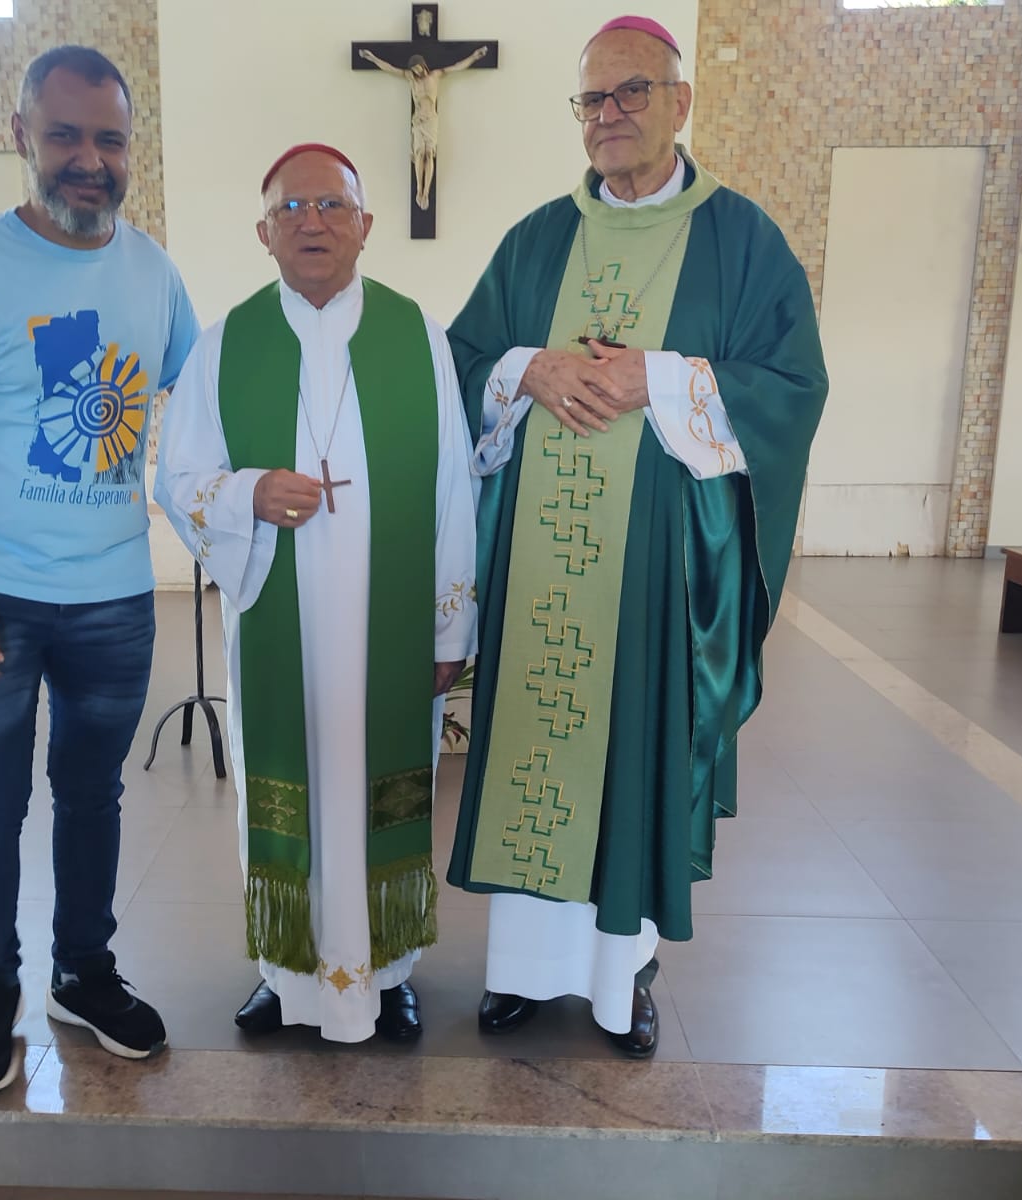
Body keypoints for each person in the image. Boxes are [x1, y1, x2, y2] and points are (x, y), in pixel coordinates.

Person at [444, 16, 828, 1058]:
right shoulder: (535, 240)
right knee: (535, 750)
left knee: (633, 750)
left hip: (656, 567)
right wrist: (527, 368)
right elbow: (462, 360)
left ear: (679, 102)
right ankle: (524, 971)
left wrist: (657, 378)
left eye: (631, 93)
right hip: (541, 569)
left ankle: (624, 979)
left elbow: (792, 388)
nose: (608, 114)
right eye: (592, 99)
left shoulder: (741, 241)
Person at [0, 45, 199, 1095]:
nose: (89, 160)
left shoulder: (155, 273)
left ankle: (83, 970)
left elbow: (203, 408)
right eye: (65, 135)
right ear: (21, 135)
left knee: (92, 794)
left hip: (114, 596)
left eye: (110, 139)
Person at [155, 144, 477, 1044]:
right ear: (263, 234)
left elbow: (455, 485)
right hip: (279, 617)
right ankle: (287, 973)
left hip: (391, 625)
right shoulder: (226, 345)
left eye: (332, 206)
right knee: (287, 792)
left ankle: (391, 970)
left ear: (365, 225)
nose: (312, 223)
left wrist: (450, 625)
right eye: (290, 209)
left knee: (386, 791)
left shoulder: (417, 336)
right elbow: (177, 478)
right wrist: (248, 494)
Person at [357, 46, 489, 210]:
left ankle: (426, 191)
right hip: (419, 120)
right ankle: (419, 189)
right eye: (414, 70)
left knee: (429, 153)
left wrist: (474, 57)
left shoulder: (436, 75)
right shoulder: (411, 79)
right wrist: (372, 58)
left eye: (418, 68)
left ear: (423, 65)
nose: (417, 72)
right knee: (420, 154)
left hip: (431, 120)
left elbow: (457, 67)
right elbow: (390, 68)